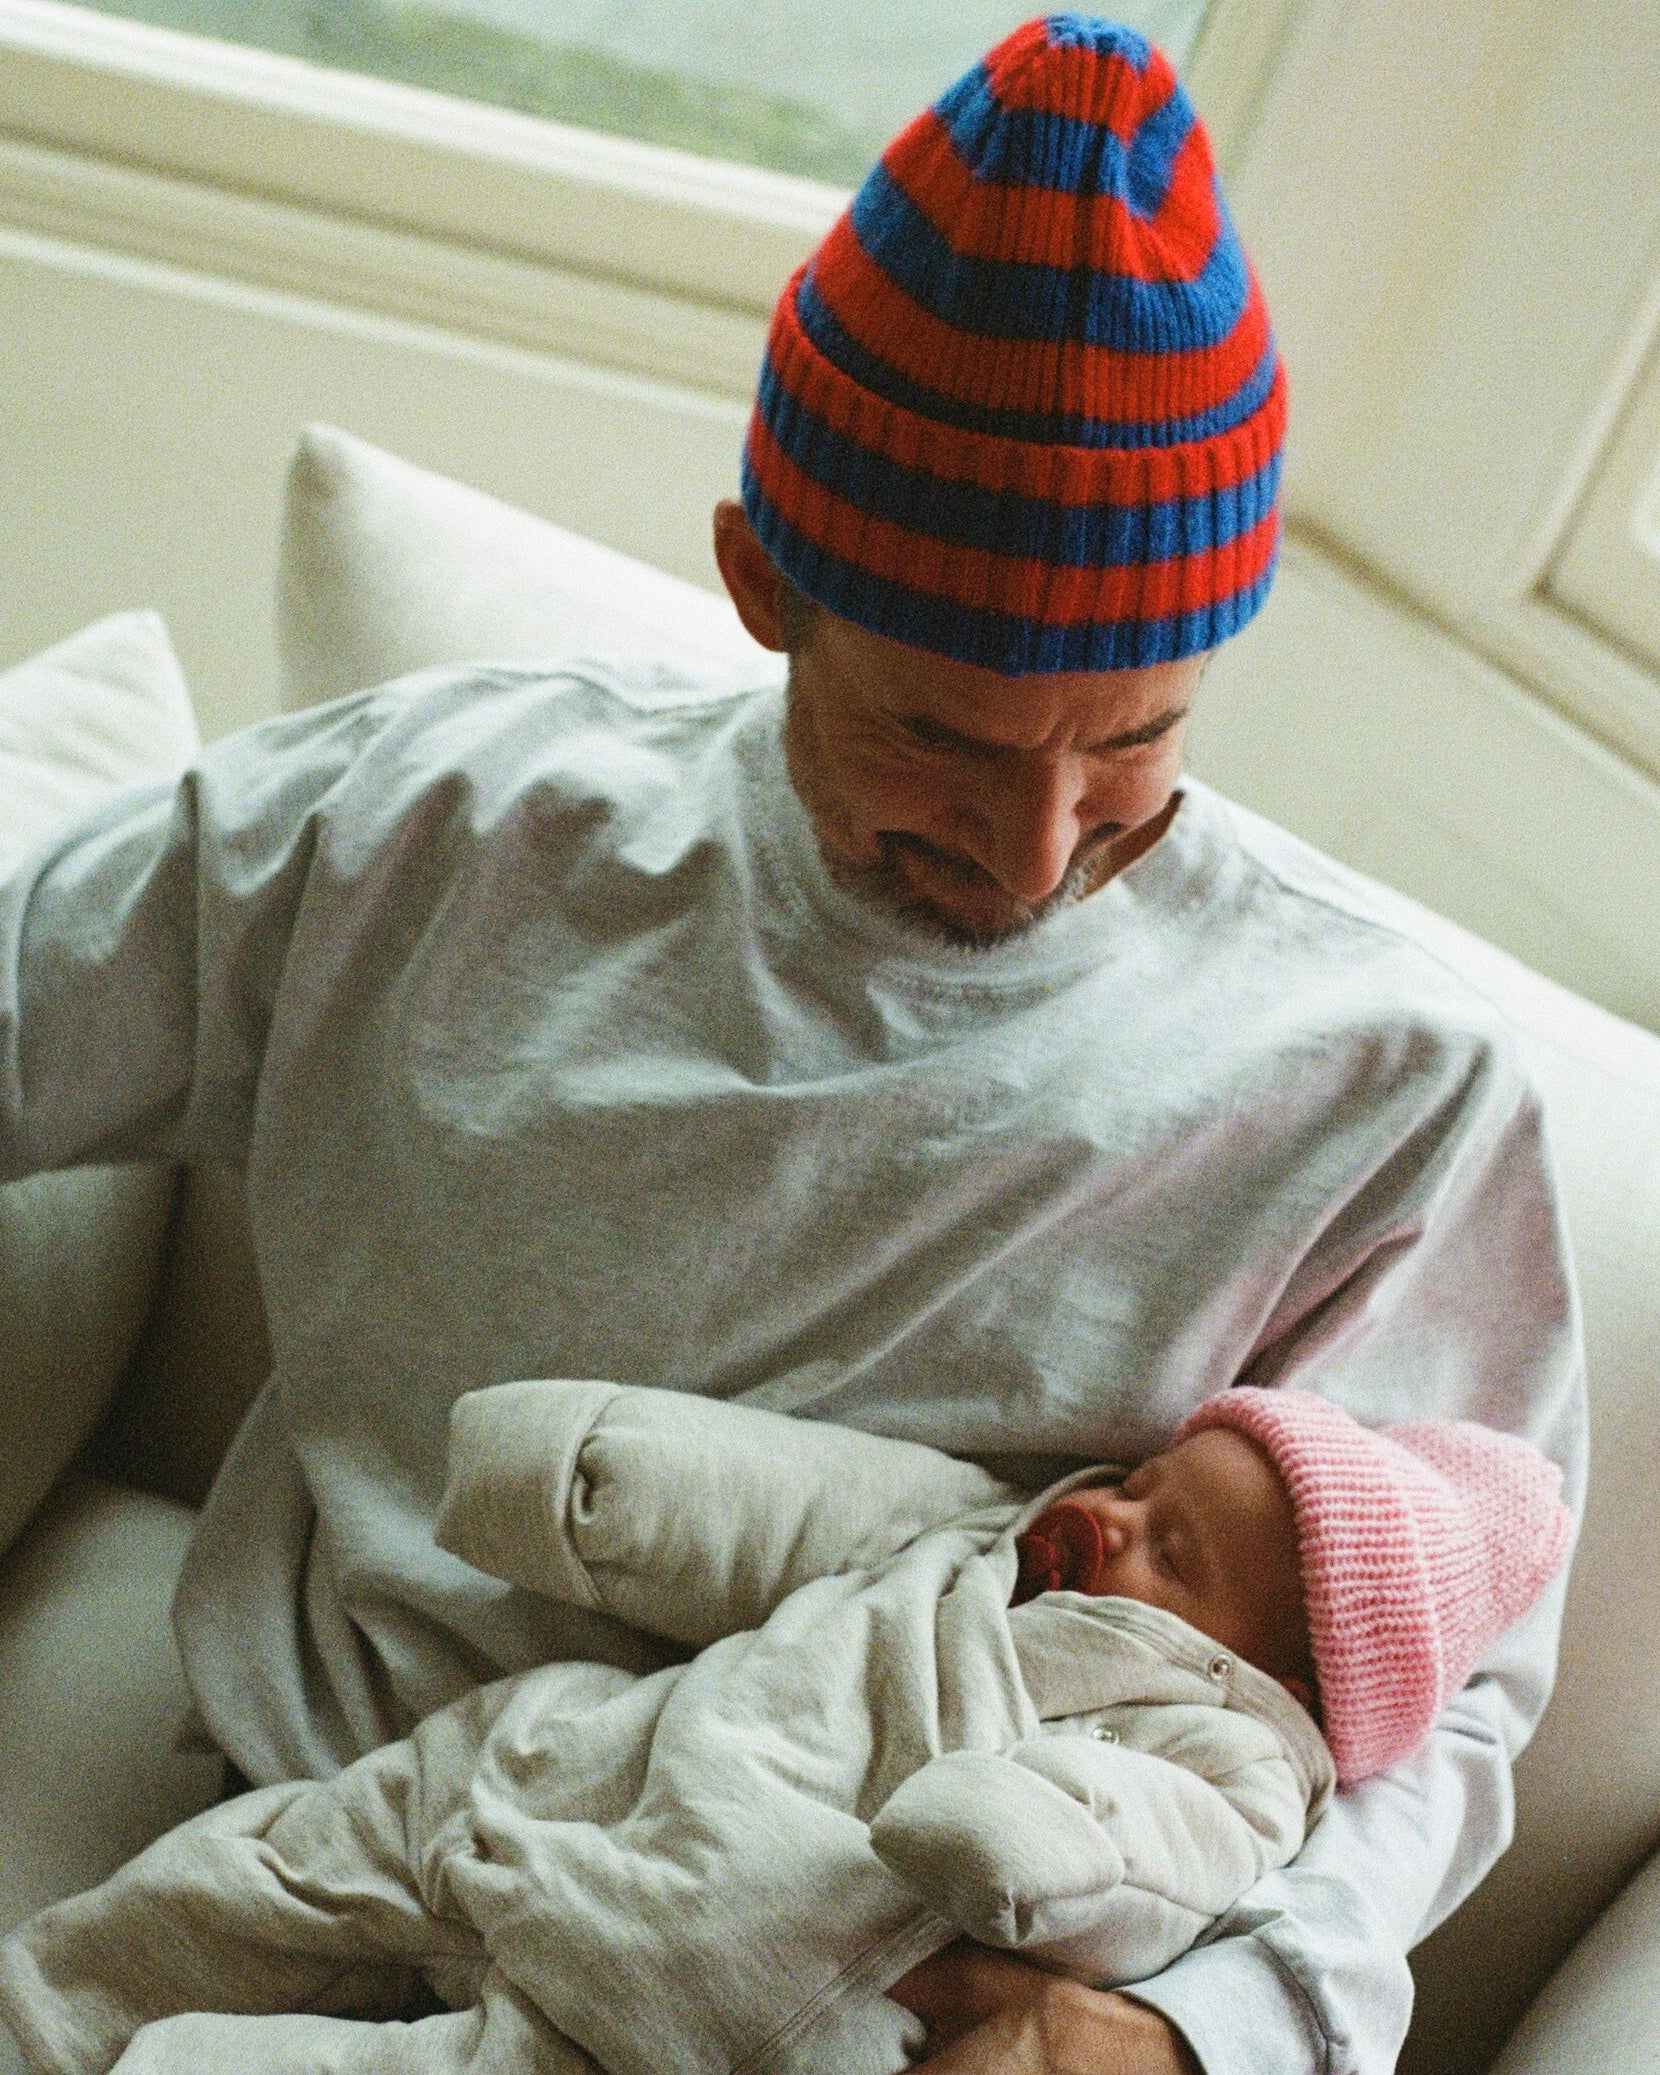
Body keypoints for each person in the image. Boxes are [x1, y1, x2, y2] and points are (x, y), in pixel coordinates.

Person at [0, 15, 1584, 2075]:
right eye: (936, 729)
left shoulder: (1384, 1097)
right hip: (308, 1851)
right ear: (763, 581)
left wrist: (1200, 2036)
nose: (1032, 848)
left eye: (1133, 740)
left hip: (822, 1997)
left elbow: (1435, 1682)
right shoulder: (433, 828)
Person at [0, 1384, 1572, 2075]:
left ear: (1277, 1668)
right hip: (550, 1767)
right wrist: (597, 1478)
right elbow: (796, 1502)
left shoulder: (1228, 1752)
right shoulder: (979, 1528)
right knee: (268, 1869)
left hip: (699, 1976)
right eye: (1141, 1487)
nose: (1109, 1526)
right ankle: (51, 2013)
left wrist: (1029, 1836)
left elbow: (1148, 1845)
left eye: (1174, 1555)